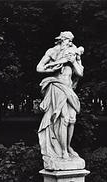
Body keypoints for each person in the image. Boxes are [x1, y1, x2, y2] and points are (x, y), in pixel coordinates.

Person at [36, 31, 84, 161]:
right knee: (64, 118)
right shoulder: (52, 51)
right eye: (68, 40)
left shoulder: (73, 52)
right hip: (57, 87)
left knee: (72, 119)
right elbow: (39, 67)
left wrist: (73, 61)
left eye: (71, 40)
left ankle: (68, 147)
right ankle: (63, 151)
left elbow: (80, 73)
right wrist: (51, 69)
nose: (70, 42)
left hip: (69, 89)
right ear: (62, 39)